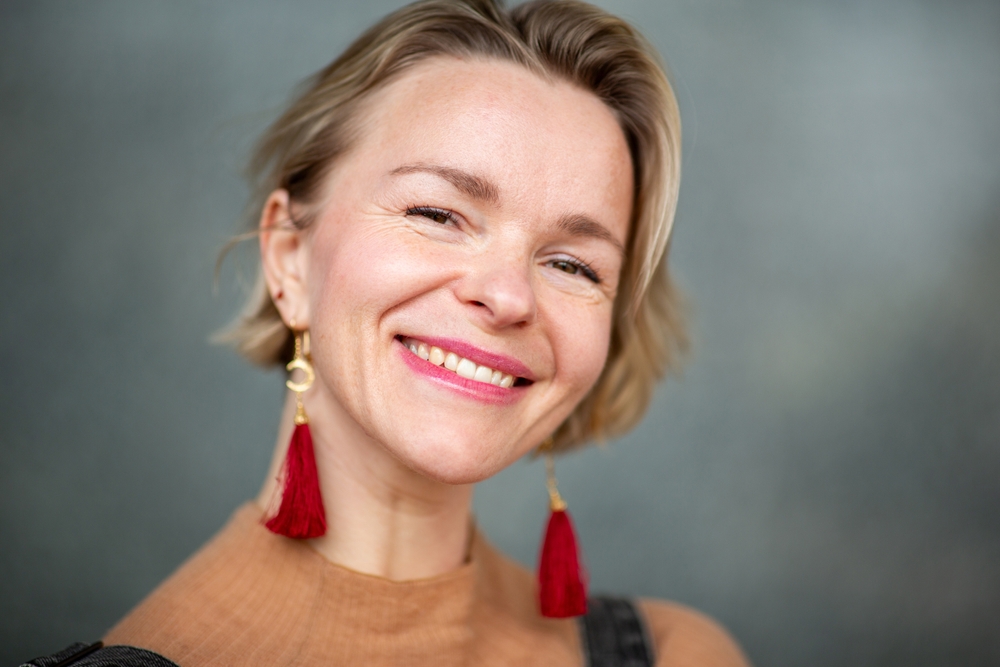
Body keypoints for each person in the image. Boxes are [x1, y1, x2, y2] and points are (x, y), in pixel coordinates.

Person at [37, 1, 750, 665]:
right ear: (289, 257)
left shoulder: (675, 651)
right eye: (438, 214)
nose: (506, 296)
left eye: (571, 263)